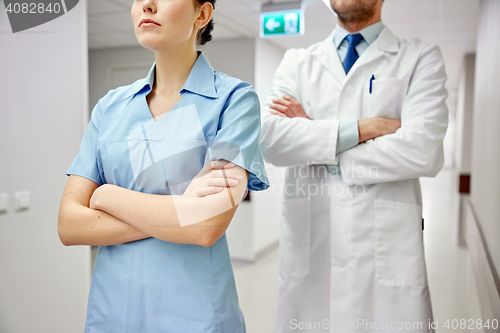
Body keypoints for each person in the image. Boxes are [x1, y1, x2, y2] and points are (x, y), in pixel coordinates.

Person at [58, 0, 269, 332]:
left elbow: (206, 227)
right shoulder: (109, 108)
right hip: (114, 313)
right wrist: (182, 210)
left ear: (202, 14)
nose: (147, 5)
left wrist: (107, 196)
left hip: (196, 315)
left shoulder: (235, 100)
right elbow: (69, 226)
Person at [260, 0, 448, 332]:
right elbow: (273, 142)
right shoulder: (297, 62)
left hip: (386, 271)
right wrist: (368, 127)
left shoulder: (420, 58)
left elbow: (422, 150)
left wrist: (317, 138)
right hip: (312, 267)